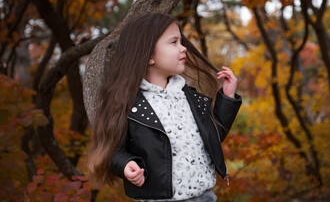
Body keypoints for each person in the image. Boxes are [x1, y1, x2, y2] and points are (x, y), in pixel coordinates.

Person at [87, 13, 242, 202]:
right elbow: (110, 149)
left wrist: (227, 97)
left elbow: (212, 138)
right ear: (149, 55)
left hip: (206, 197)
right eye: (174, 42)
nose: (183, 47)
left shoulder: (190, 98)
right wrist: (126, 165)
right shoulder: (128, 105)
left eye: (181, 41)